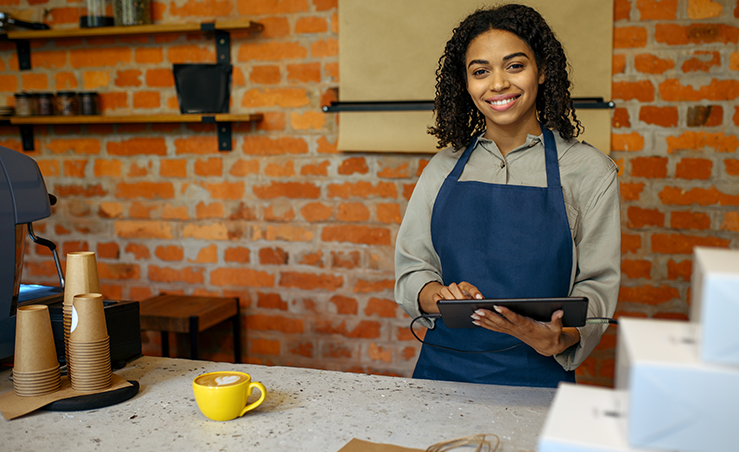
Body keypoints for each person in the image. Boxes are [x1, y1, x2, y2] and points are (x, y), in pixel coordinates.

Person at [394, 4, 620, 387]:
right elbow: (413, 268)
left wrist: (560, 338)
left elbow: (597, 286)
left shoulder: (589, 171)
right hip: (439, 378)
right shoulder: (442, 168)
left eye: (515, 66)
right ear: (466, 84)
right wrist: (438, 295)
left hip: (537, 378)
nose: (497, 84)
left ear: (542, 70)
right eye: (481, 72)